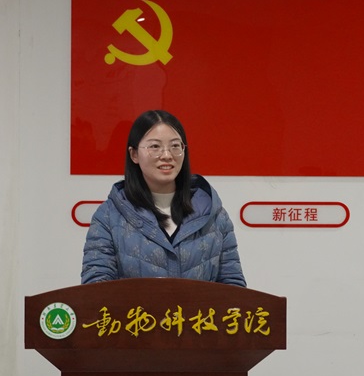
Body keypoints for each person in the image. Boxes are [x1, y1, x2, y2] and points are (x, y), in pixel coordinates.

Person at [81, 110, 246, 287]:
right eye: (155, 146)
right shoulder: (109, 216)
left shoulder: (213, 215)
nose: (167, 155)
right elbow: (96, 289)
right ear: (134, 154)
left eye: (175, 146)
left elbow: (233, 288)